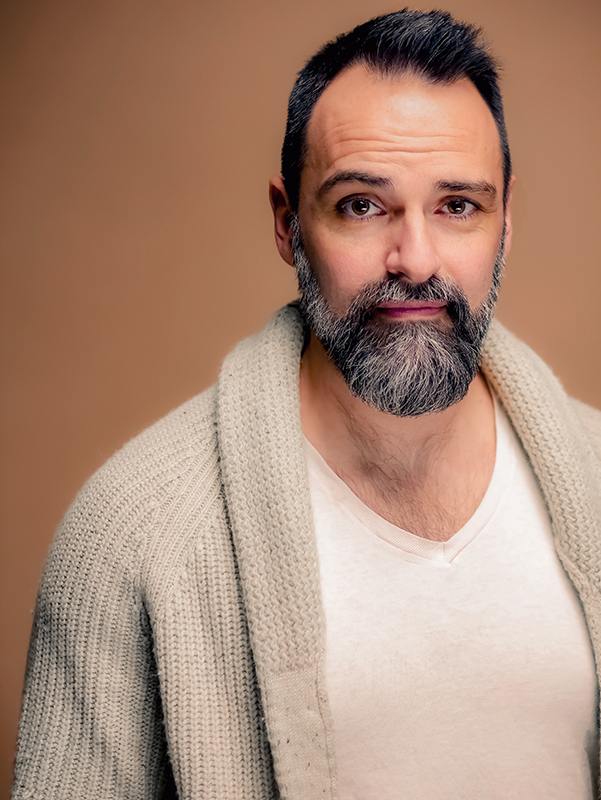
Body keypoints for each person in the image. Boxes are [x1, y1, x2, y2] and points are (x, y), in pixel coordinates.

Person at [13, 9, 601, 800]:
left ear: (505, 222)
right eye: (362, 205)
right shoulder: (133, 535)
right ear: (288, 224)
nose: (415, 260)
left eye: (457, 205)